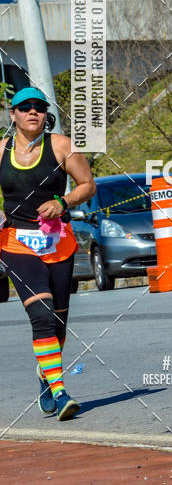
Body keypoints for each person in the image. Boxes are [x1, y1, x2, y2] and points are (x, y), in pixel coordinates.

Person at [0, 87, 96, 421]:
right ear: (12, 115)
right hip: (16, 243)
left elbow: (87, 184)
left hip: (58, 243)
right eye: (24, 108)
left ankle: (46, 374)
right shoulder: (0, 150)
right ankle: (60, 390)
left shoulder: (61, 146)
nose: (32, 112)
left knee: (56, 321)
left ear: (46, 114)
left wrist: (63, 202)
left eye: (38, 107)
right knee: (40, 312)